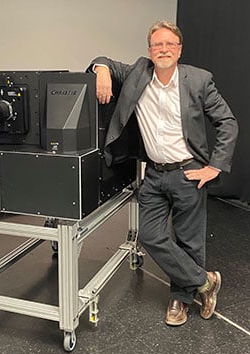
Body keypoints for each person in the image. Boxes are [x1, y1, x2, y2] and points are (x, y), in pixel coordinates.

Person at [88, 20, 238, 326]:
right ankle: (206, 282)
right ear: (149, 50)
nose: (164, 49)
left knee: (189, 241)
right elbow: (103, 61)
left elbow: (227, 122)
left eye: (170, 44)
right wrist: (100, 70)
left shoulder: (198, 80)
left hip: (188, 172)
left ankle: (181, 300)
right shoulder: (137, 73)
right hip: (154, 174)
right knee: (150, 235)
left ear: (179, 49)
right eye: (158, 44)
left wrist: (214, 166)